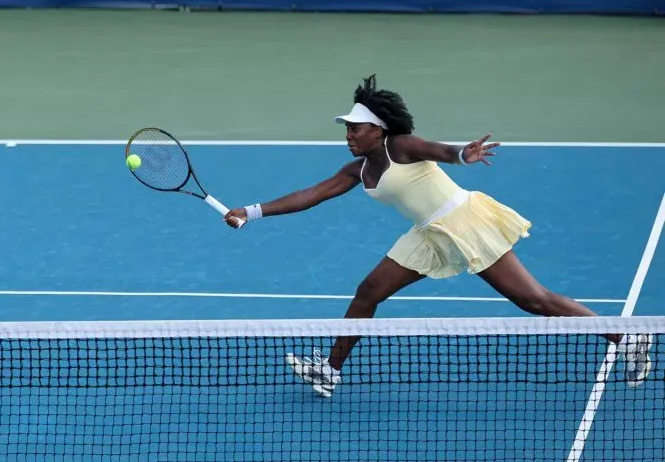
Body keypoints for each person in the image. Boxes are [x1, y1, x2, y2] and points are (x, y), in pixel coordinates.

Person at [223, 75, 652, 397]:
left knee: (533, 300)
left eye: (357, 128)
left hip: (464, 222)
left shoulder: (402, 145)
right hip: (428, 234)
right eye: (348, 129)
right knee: (368, 292)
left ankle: (627, 337)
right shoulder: (357, 170)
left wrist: (465, 154)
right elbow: (311, 195)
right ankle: (331, 370)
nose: (349, 135)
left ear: (379, 130)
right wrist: (252, 212)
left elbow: (444, 151)